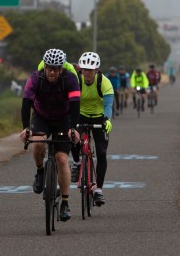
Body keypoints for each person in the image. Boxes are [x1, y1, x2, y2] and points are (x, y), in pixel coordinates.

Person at [20, 48, 81, 222]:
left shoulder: (70, 79)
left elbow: (76, 105)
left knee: (62, 159)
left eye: (56, 68)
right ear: (44, 66)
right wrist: (26, 128)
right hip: (41, 117)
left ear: (62, 68)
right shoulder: (35, 79)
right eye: (49, 68)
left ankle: (65, 203)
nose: (52, 72)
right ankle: (40, 172)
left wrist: (73, 128)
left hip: (63, 119)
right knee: (38, 143)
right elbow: (26, 103)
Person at [70, 52, 114, 206]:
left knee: (101, 152)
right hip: (80, 116)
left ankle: (98, 189)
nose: (87, 72)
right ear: (80, 69)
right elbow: (70, 102)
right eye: (85, 69)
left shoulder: (105, 82)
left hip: (99, 117)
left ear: (97, 70)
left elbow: (108, 105)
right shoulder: (76, 81)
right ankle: (76, 163)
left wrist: (107, 120)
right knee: (72, 138)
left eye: (91, 69)